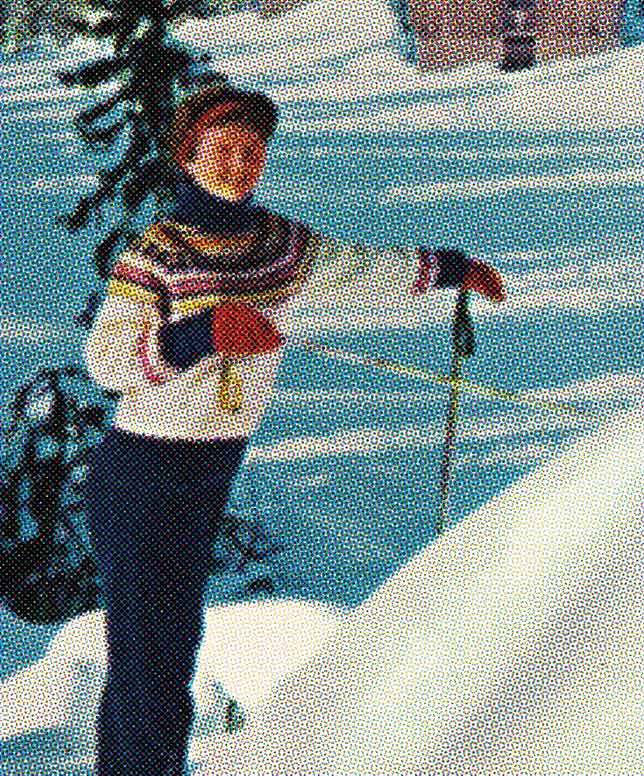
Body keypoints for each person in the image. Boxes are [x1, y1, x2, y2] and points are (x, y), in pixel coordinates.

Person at [80, 83, 505, 776]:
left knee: (161, 652)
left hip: (206, 471)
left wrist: (452, 269)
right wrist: (202, 332)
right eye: (222, 151)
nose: (238, 164)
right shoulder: (158, 253)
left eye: (252, 152)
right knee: (152, 662)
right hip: (144, 475)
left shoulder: (277, 244)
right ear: (188, 157)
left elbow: (361, 269)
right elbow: (107, 361)